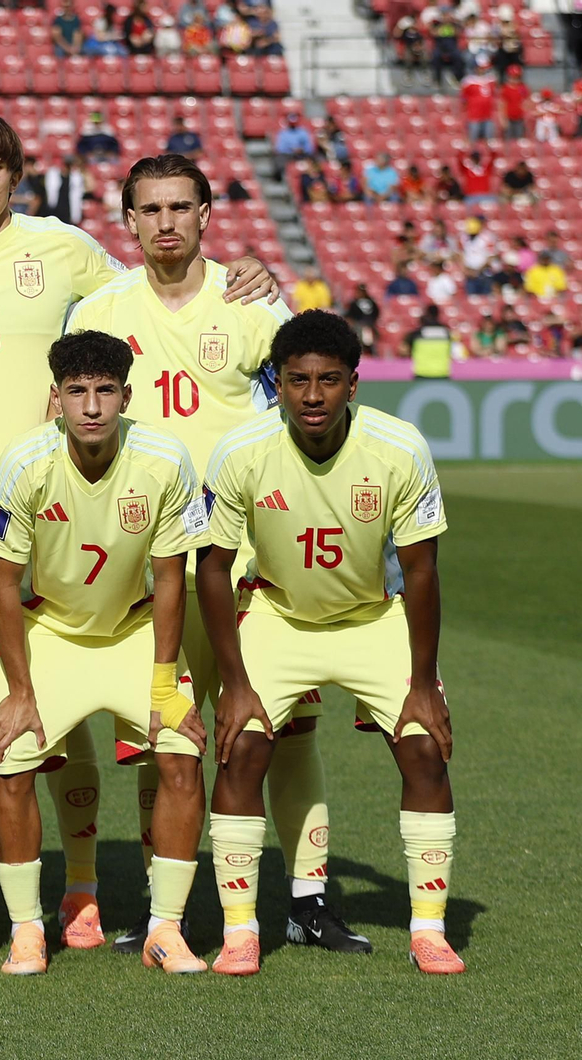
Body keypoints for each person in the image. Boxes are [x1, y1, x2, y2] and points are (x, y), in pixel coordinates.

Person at [0, 115, 276, 948]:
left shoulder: (66, 251)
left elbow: (153, 274)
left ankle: (86, 889)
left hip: (64, 515)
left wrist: (246, 270)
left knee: (87, 706)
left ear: (17, 176)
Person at [66, 155, 359, 955]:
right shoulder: (97, 312)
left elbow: (303, 425)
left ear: (206, 214)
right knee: (161, 734)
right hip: (140, 560)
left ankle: (306, 897)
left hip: (240, 555)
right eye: (149, 209)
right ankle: (164, 910)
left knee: (284, 727)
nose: (165, 222)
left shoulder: (254, 308)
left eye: (180, 206)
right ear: (127, 221)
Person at [199, 310, 462, 976]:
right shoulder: (241, 450)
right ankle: (240, 931)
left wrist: (422, 683)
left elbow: (423, 572)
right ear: (278, 384)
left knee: (426, 750)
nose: (312, 395)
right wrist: (234, 683)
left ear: (353, 384)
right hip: (278, 616)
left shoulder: (399, 448)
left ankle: (428, 931)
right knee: (241, 748)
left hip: (370, 619)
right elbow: (210, 567)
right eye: (297, 380)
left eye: (328, 380)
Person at [0, 330, 211, 976]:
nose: (90, 406)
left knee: (183, 754)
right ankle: (27, 930)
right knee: (13, 758)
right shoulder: (25, 461)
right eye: (76, 392)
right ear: (55, 399)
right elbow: (2, 581)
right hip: (50, 632)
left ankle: (165, 927)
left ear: (126, 396)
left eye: (104, 391)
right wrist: (21, 693)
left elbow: (170, 580)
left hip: (134, 635)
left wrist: (166, 686)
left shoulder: (164, 459)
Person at [403, 303, 453, 377]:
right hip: (442, 373)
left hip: (421, 373)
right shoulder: (447, 333)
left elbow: (403, 351)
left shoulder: (416, 334)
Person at [344, 282, 379, 352]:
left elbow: (376, 313)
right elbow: (349, 316)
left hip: (370, 325)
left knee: (369, 334)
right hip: (358, 325)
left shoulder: (372, 302)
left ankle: (372, 351)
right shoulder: (354, 303)